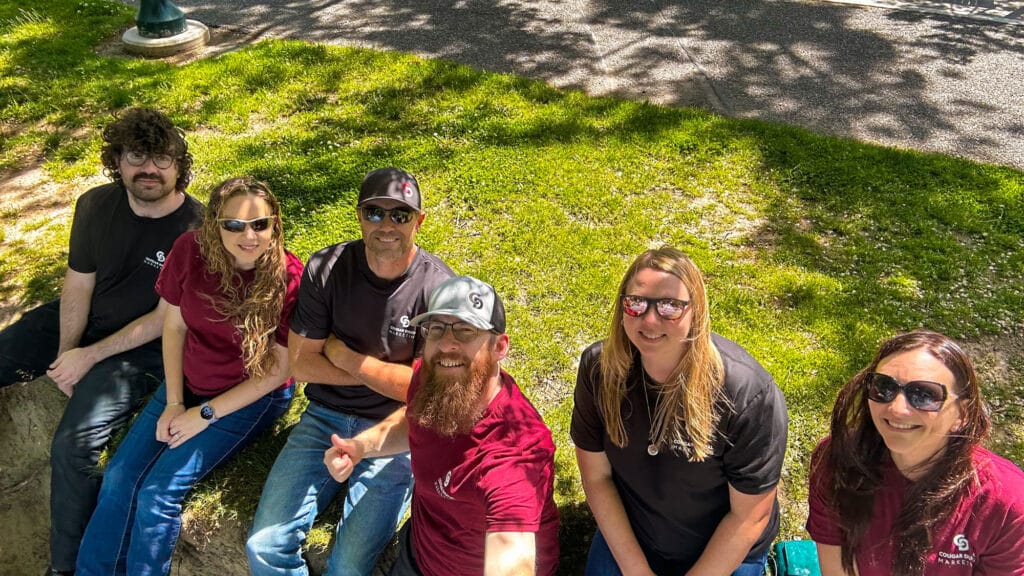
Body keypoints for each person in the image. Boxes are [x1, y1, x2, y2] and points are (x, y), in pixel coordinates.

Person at [0, 107, 203, 576]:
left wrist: (89, 357)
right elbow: (78, 283)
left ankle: (65, 568)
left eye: (162, 159)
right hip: (85, 323)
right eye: (136, 156)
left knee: (74, 442)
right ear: (118, 160)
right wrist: (65, 354)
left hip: (142, 347)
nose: (149, 169)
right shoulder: (94, 205)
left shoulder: (196, 230)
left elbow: (163, 320)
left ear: (178, 166)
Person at [76, 177, 303, 575]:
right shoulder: (190, 251)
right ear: (215, 223)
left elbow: (278, 370)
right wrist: (176, 402)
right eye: (233, 224)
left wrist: (202, 415)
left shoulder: (290, 277)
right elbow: (175, 327)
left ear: (275, 224)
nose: (248, 236)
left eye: (260, 224)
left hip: (250, 395)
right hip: (189, 380)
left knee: (158, 494)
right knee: (118, 476)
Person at [246, 168, 455, 576]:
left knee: (348, 568)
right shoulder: (326, 268)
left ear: (420, 220)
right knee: (265, 547)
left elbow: (425, 396)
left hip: (395, 429)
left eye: (401, 215)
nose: (387, 225)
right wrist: (387, 377)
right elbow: (303, 363)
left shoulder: (438, 290)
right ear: (359, 215)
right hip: (324, 417)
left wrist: (346, 358)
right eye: (375, 212)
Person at [571, 246, 788, 576]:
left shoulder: (748, 394)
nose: (650, 318)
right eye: (637, 302)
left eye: (671, 305)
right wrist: (636, 570)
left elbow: (748, 517)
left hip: (724, 551)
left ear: (696, 311)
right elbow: (597, 478)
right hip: (635, 534)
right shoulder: (600, 369)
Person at [324, 275, 560, 576]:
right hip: (419, 553)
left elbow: (513, 557)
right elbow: (415, 419)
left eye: (465, 330)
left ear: (499, 347)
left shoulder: (516, 453)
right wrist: (361, 447)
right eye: (437, 329)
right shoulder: (435, 378)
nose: (448, 343)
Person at [807, 330, 1024, 576]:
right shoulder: (838, 459)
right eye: (883, 387)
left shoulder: (1008, 502)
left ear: (962, 414)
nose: (897, 408)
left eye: (924, 394)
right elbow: (838, 568)